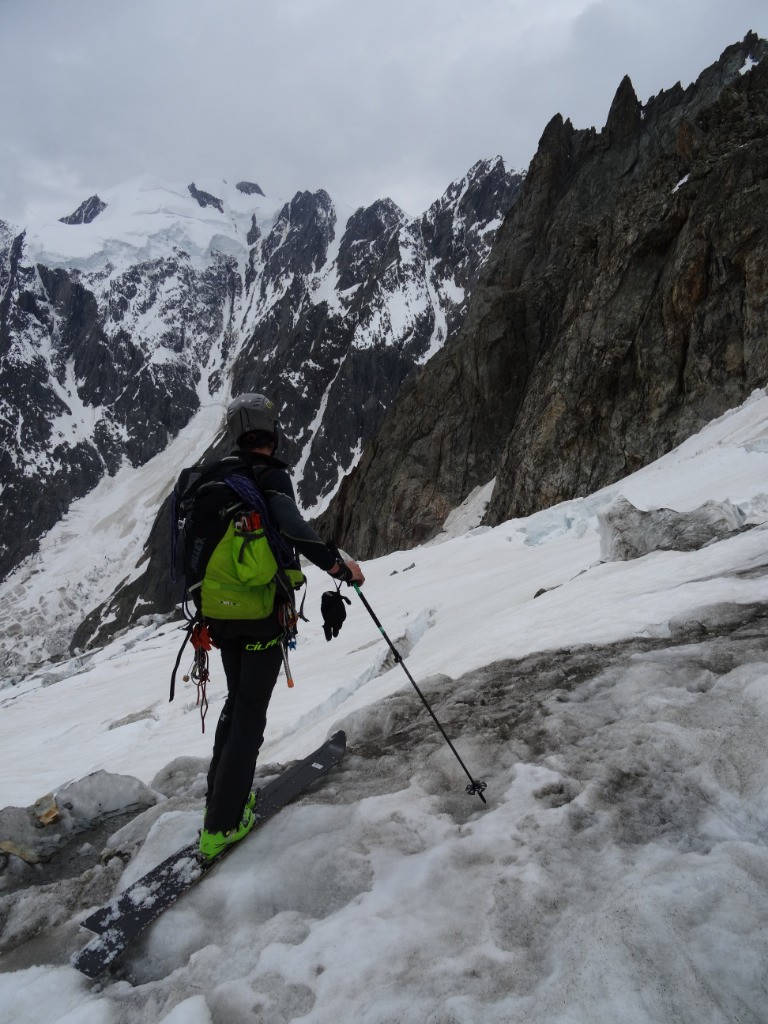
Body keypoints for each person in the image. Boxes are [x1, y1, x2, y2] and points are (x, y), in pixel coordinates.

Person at [198, 392, 364, 858]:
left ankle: (220, 803)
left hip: (218, 618)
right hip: (259, 615)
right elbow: (293, 529)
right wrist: (339, 566)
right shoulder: (268, 477)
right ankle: (224, 825)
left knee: (237, 703)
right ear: (271, 434)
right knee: (250, 713)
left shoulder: (219, 478)